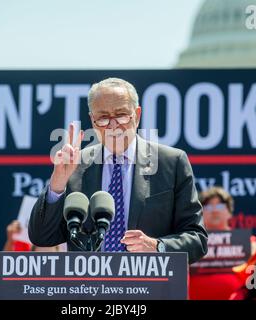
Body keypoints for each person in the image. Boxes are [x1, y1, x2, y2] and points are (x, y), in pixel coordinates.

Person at [29, 77, 207, 263]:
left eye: (121, 115)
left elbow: (197, 239)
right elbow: (42, 237)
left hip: (150, 287)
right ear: (93, 120)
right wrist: (57, 184)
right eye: (103, 118)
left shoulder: (171, 163)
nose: (113, 126)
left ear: (137, 116)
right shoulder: (75, 165)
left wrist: (157, 246)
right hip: (88, 289)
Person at [189, 186, 256, 300]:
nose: (215, 210)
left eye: (220, 206)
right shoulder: (190, 241)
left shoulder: (247, 242)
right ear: (201, 212)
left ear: (230, 212)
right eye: (209, 206)